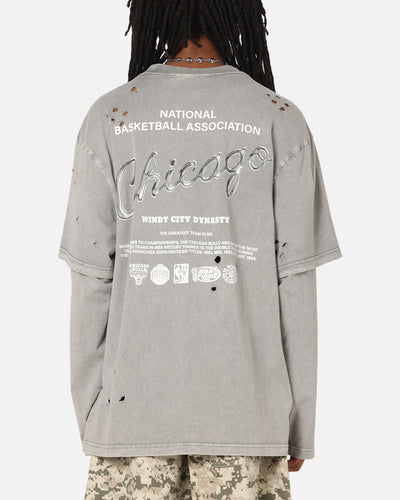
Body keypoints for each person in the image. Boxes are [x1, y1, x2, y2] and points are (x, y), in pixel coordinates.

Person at [57, 0, 342, 498]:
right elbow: (295, 286)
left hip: (130, 420)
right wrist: (301, 425)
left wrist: (94, 416)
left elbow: (91, 281)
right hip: (249, 421)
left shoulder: (110, 117)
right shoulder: (278, 118)